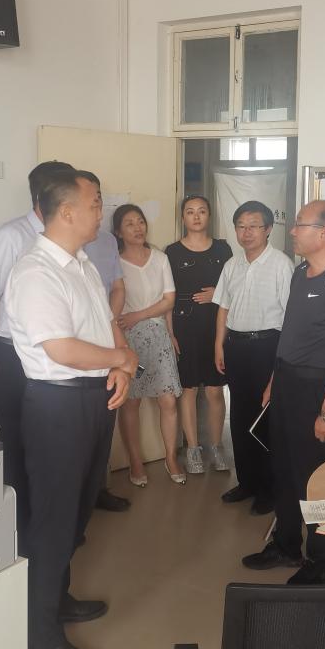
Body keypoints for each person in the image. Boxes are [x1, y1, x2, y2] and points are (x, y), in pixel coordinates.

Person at [4, 168, 139, 649]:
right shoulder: (35, 272)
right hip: (58, 404)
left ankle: (57, 600)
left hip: (94, 397)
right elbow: (61, 349)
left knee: (78, 513)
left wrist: (122, 364)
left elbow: (106, 324)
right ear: (66, 212)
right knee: (53, 522)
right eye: (95, 203)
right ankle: (41, 638)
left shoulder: (80, 262)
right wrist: (121, 358)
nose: (101, 212)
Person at [242, 199, 325, 584]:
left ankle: (322, 561)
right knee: (283, 468)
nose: (292, 231)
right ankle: (286, 544)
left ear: (324, 233)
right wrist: (273, 381)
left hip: (316, 388)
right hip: (286, 381)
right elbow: (290, 333)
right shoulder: (300, 273)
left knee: (313, 478)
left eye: (300, 225)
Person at [0, 160, 74, 532]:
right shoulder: (11, 237)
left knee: (48, 439)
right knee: (15, 440)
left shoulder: (63, 240)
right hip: (12, 353)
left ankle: (47, 523)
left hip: (53, 354)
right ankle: (19, 528)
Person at [212, 200, 294, 515]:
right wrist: (219, 345)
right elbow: (223, 307)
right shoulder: (232, 265)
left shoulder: (281, 265)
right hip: (236, 346)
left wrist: (278, 364)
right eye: (241, 226)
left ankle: (268, 489)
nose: (246, 233)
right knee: (240, 417)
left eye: (254, 226)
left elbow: (289, 320)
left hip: (267, 346)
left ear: (268, 229)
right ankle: (247, 482)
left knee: (266, 419)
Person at [113, 203, 186, 486]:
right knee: (131, 401)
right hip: (129, 342)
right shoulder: (115, 262)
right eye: (130, 223)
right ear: (119, 231)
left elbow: (169, 300)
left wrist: (144, 319)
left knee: (168, 399)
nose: (137, 227)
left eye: (140, 221)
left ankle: (171, 457)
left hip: (158, 338)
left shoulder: (160, 258)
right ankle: (135, 460)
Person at [165, 195, 233, 475]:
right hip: (185, 327)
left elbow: (233, 286)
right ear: (182, 217)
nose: (196, 216)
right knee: (188, 390)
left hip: (216, 326)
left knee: (215, 390)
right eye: (190, 212)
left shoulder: (223, 249)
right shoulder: (172, 252)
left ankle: (216, 446)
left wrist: (216, 294)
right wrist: (170, 333)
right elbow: (166, 296)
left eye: (202, 211)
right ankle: (192, 448)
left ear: (209, 216)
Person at [79, 172, 130, 513]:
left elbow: (118, 288)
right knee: (77, 432)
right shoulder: (49, 253)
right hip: (75, 353)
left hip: (107, 340)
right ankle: (77, 499)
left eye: (99, 199)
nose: (99, 208)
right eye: (92, 201)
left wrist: (110, 330)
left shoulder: (107, 242)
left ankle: (98, 488)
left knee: (103, 421)